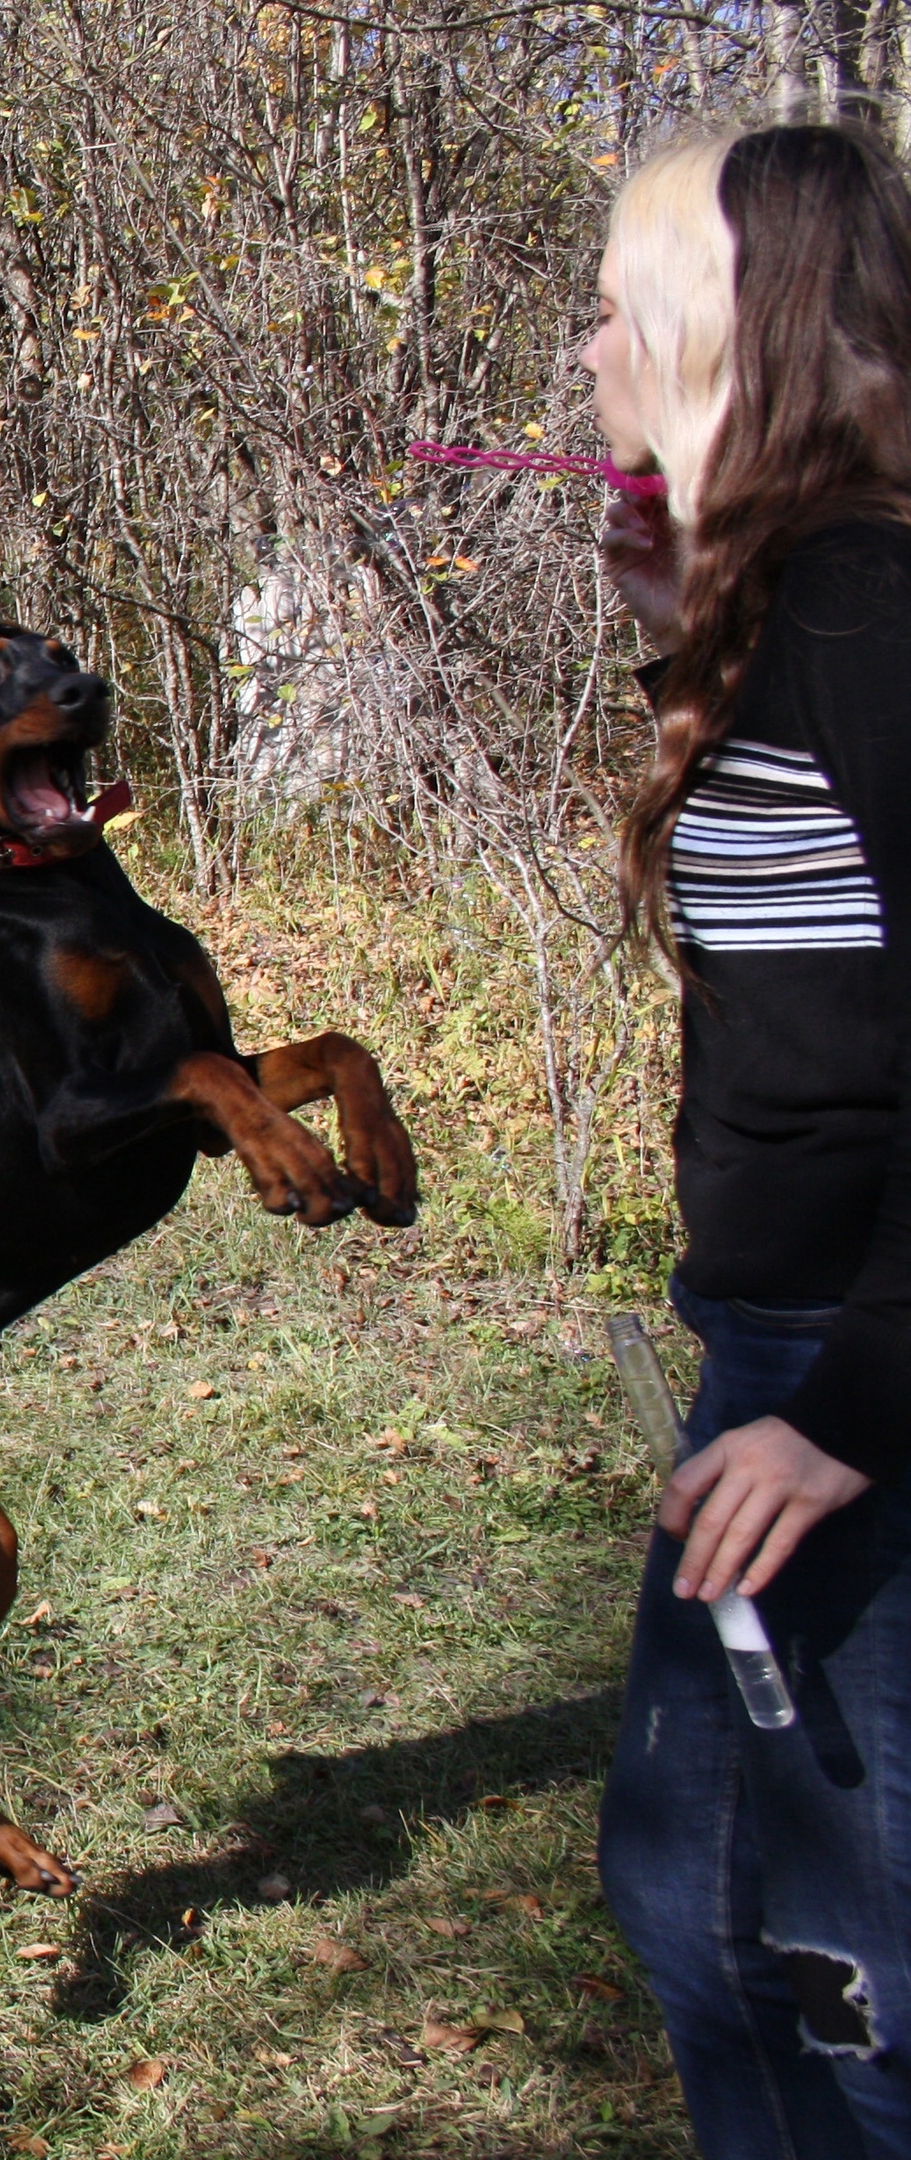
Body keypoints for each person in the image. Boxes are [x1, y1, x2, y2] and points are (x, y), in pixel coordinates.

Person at [582, 124, 911, 2159]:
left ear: (725, 328)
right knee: (709, 1916)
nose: (585, 349)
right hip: (779, 1354)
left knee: (833, 1976)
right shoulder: (806, 603)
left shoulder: (876, 609)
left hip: (846, 1387)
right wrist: (686, 612)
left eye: (616, 304)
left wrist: (847, 1402)